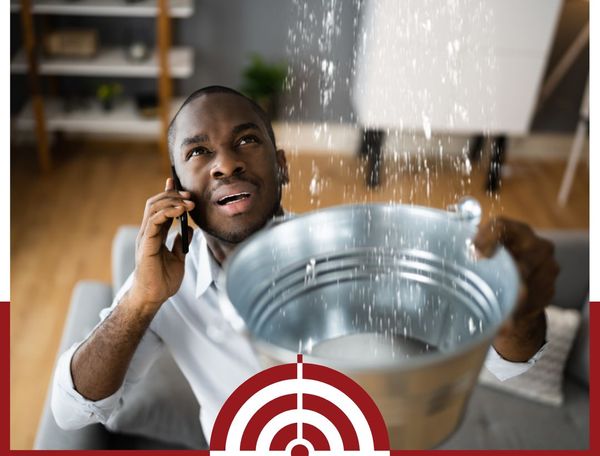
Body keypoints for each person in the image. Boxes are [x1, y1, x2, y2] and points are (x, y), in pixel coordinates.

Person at [51, 86, 559, 442]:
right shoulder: (161, 286)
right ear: (177, 187)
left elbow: (508, 364)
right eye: (199, 152)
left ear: (282, 165)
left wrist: (521, 305)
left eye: (247, 140)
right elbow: (71, 411)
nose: (226, 163)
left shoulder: (348, 253)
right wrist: (141, 300)